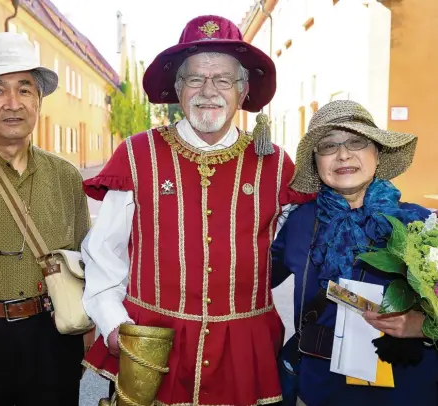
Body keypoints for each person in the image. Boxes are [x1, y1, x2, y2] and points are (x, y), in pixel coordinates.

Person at [82, 15, 313, 406]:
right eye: (195, 79)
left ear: (243, 90)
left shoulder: (276, 164)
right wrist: (113, 324)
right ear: (177, 88)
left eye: (223, 79)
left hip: (243, 353)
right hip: (153, 345)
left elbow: (301, 248)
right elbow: (103, 252)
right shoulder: (138, 155)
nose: (209, 91)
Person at [272, 100, 438, 406]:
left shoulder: (421, 224)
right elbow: (246, 276)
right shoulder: (298, 222)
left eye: (356, 142)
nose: (343, 154)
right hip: (321, 389)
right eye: (328, 146)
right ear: (316, 162)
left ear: (377, 153)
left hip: (408, 389)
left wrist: (422, 324)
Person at [0, 32, 90, 405]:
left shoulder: (66, 176)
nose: (13, 103)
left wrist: (87, 333)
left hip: (51, 336)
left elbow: (87, 260)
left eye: (25, 89)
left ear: (39, 101)